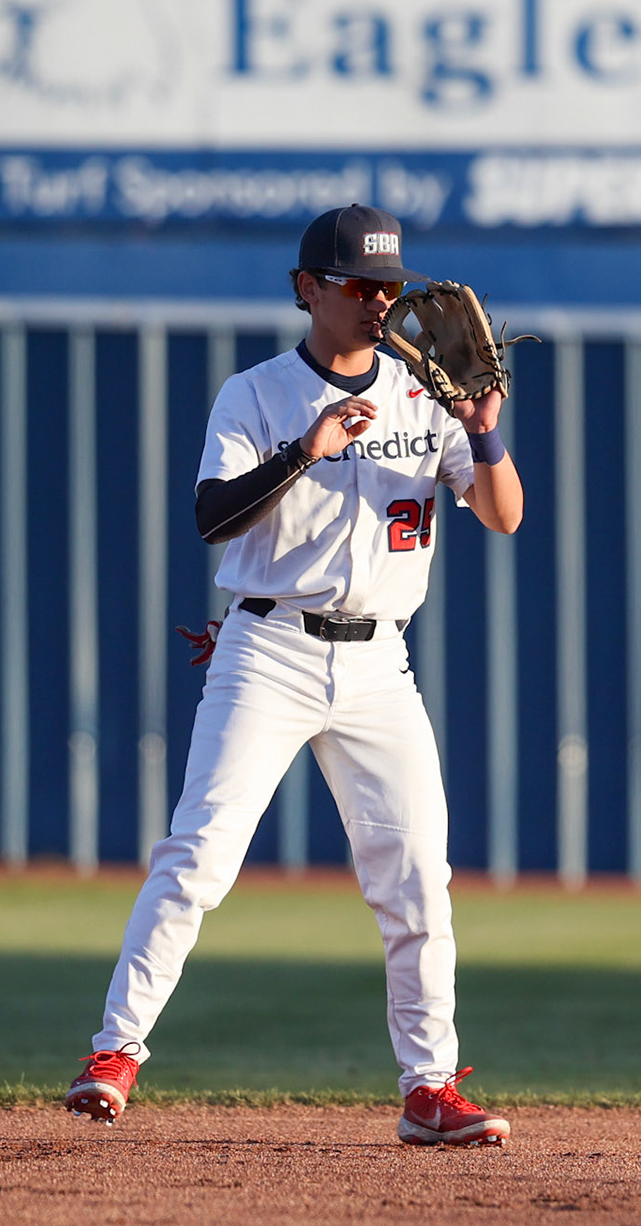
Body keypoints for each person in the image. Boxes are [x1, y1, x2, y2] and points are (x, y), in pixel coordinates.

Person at [64, 204, 524, 1147]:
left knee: (416, 880)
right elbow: (211, 517)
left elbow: (505, 514)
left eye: (388, 287)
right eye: (358, 285)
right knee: (198, 856)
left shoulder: (422, 394)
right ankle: (115, 1053)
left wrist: (482, 431)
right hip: (267, 649)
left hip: (378, 661)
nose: (378, 301)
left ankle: (429, 1088)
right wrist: (304, 448)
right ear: (307, 288)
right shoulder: (258, 394)